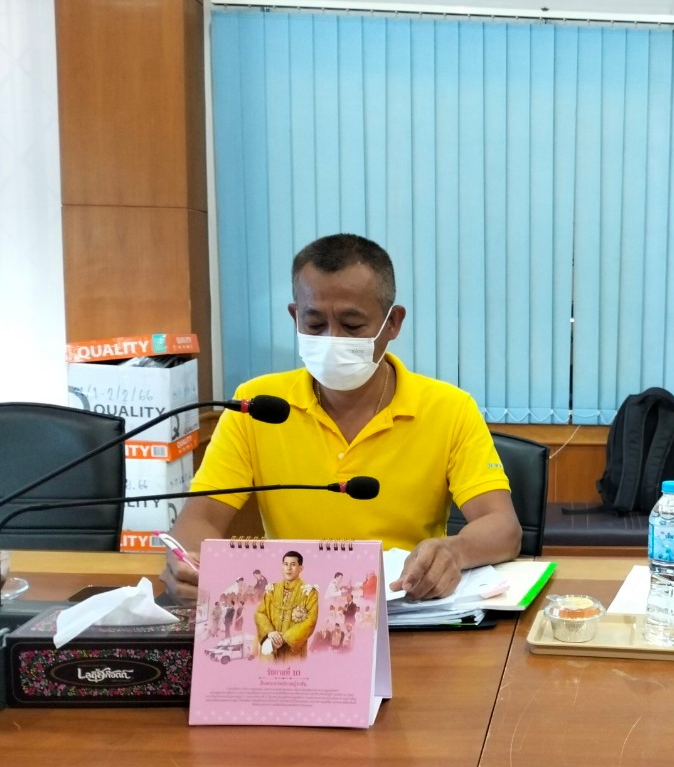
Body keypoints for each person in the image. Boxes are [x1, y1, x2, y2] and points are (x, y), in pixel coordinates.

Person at [160, 233, 521, 603]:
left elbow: (503, 527)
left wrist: (454, 552)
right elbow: (199, 519)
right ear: (295, 317)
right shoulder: (256, 407)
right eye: (315, 324)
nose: (332, 339)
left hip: (404, 606)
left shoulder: (449, 408)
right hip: (290, 607)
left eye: (351, 325)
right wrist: (189, 564)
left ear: (393, 323)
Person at [255, 550, 319, 661]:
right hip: (270, 648)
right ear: (282, 567)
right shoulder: (272, 590)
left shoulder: (309, 592)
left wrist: (285, 638)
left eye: (293, 564)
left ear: (300, 568)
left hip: (293, 652)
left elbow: (310, 621)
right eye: (286, 564)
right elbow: (260, 613)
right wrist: (270, 633)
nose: (288, 568)